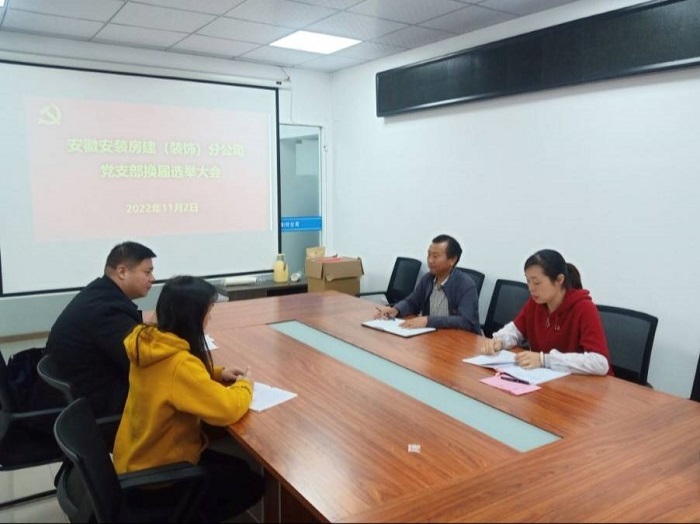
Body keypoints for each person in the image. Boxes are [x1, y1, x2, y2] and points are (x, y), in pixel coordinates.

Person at [113, 275, 264, 522]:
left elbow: (173, 381)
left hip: (135, 461)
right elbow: (227, 409)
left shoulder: (149, 344)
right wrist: (245, 386)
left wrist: (216, 373)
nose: (210, 317)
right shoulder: (180, 365)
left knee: (237, 467)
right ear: (193, 316)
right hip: (160, 479)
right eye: (208, 311)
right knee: (252, 484)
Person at [45, 241, 156, 417]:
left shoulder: (101, 293)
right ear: (122, 272)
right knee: (173, 388)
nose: (152, 279)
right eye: (147, 272)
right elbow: (140, 360)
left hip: (87, 387)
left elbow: (130, 323)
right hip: (101, 401)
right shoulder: (106, 311)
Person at [481, 249, 612, 375]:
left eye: (537, 282)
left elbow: (600, 363)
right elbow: (515, 331)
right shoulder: (536, 303)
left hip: (584, 385)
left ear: (559, 280)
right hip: (546, 380)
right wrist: (500, 341)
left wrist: (544, 360)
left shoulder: (584, 308)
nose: (531, 288)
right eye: (528, 281)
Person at [373, 234, 481, 333]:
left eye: (435, 256)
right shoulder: (428, 279)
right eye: (429, 255)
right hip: (432, 336)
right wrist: (396, 309)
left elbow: (465, 321)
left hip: (460, 340)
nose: (430, 260)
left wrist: (428, 320)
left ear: (452, 260)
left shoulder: (465, 285)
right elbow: (412, 302)